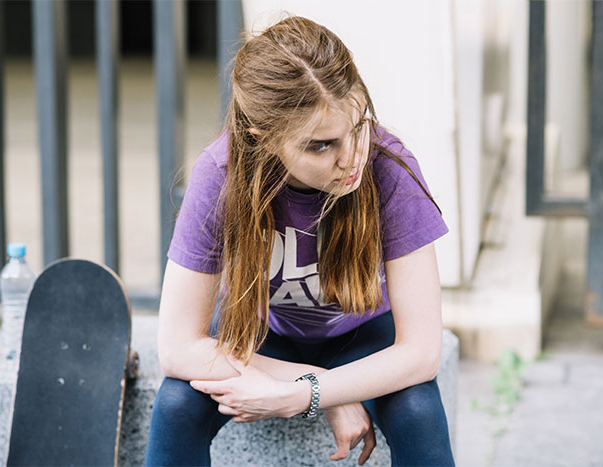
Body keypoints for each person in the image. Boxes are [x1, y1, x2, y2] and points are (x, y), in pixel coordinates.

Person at [144, 15, 456, 467]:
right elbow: (176, 348)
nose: (351, 157)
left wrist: (304, 394)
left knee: (418, 411)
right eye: (321, 145)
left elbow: (422, 352)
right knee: (175, 407)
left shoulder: (388, 170)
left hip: (363, 335)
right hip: (261, 334)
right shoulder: (221, 176)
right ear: (264, 139)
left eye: (359, 125)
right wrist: (318, 387)